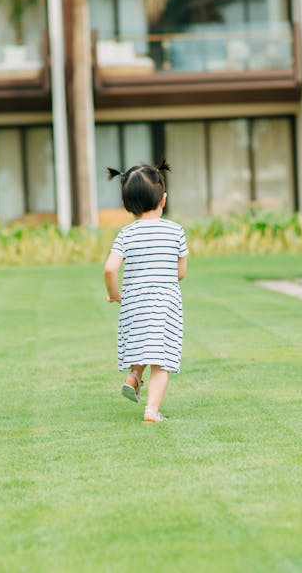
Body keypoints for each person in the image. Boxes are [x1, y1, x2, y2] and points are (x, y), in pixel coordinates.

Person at [103, 159, 189, 423]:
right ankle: (152, 409)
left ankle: (134, 376)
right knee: (161, 360)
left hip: (134, 303)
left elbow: (109, 269)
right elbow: (181, 272)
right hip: (165, 303)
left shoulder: (126, 235)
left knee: (141, 343)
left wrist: (115, 294)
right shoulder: (175, 232)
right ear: (163, 200)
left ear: (128, 204)